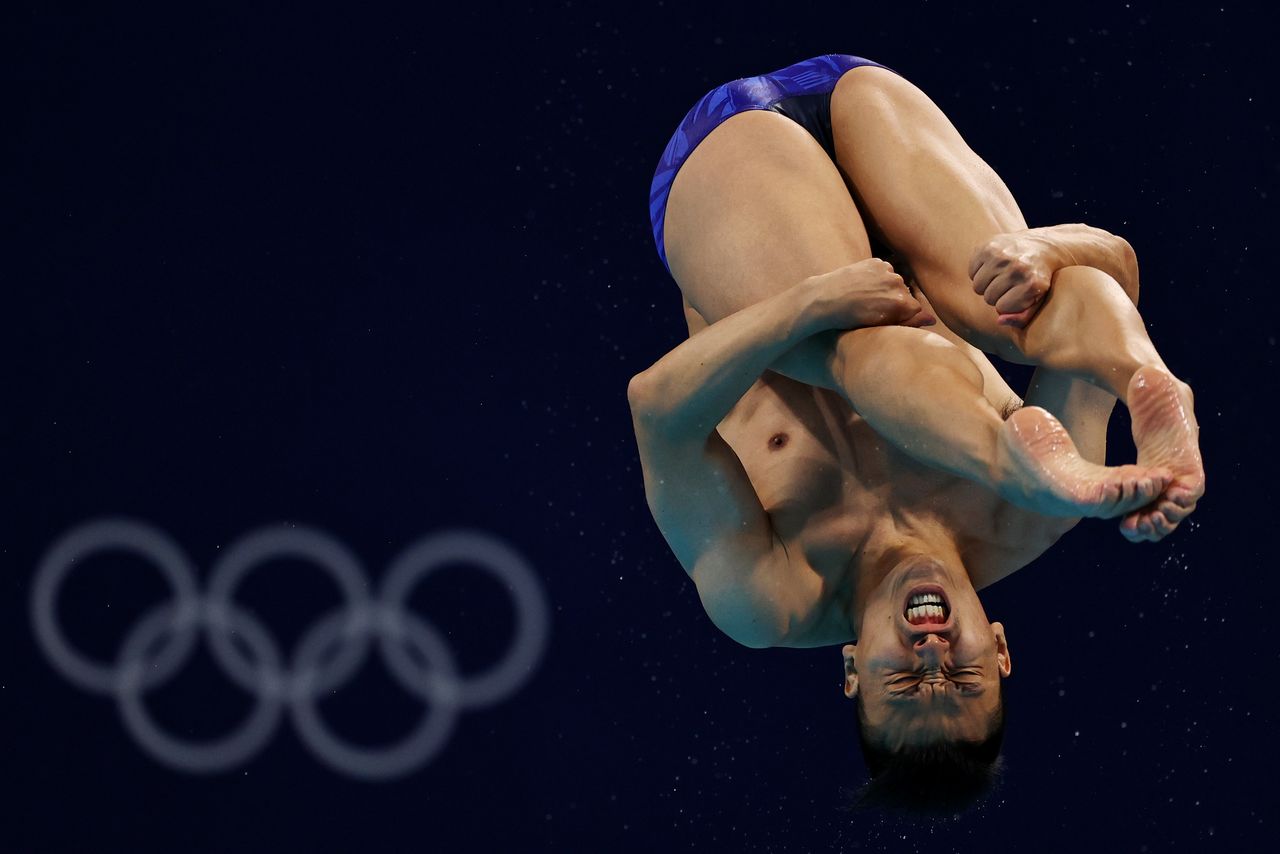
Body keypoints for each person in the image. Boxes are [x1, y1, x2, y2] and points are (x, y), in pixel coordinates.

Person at [627, 54, 1204, 813]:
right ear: (998, 649)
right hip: (864, 97)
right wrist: (1051, 250)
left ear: (853, 671)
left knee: (858, 347)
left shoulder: (770, 595)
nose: (931, 654)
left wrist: (806, 306)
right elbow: (1118, 270)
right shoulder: (1036, 518)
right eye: (961, 676)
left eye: (904, 681)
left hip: (734, 163)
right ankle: (1148, 381)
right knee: (1010, 301)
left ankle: (1004, 449)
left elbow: (657, 410)